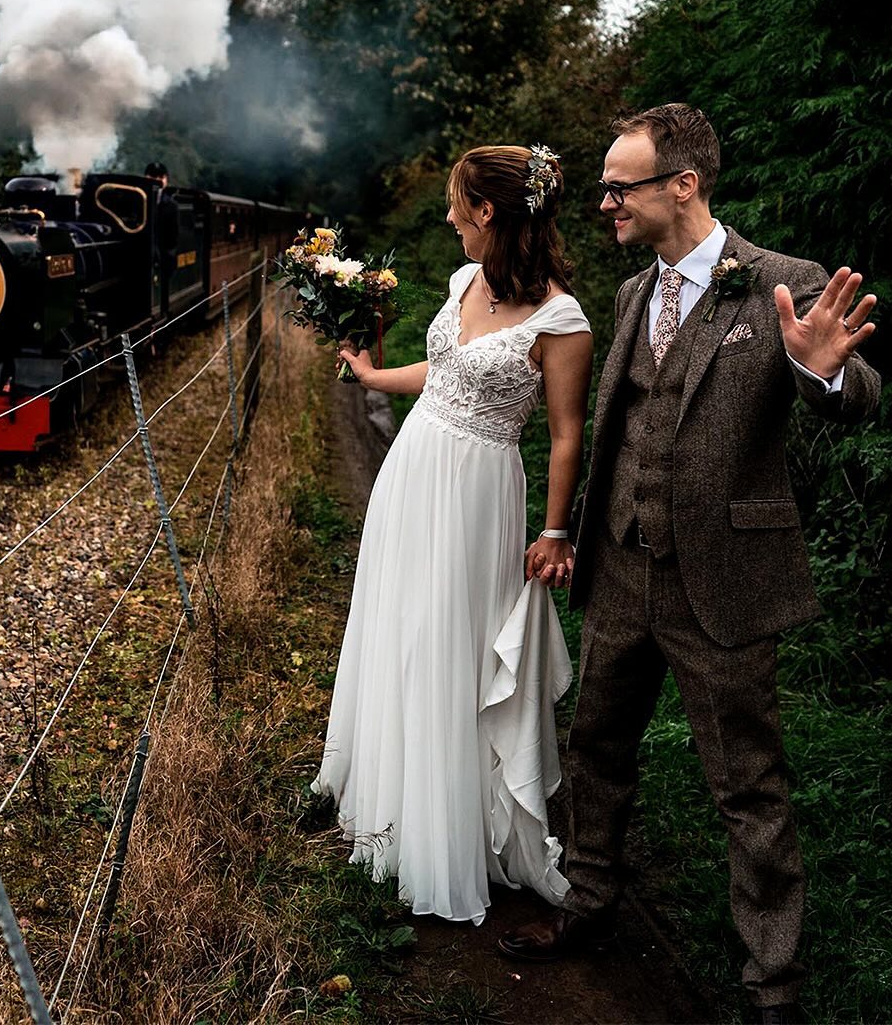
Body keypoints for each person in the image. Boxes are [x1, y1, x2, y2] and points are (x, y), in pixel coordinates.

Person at [498, 104, 881, 1023]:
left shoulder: (786, 285)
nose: (602, 202)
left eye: (619, 186)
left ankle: (771, 989)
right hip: (623, 566)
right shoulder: (633, 297)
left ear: (684, 184)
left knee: (748, 787)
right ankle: (587, 902)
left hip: (726, 581)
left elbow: (860, 397)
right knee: (595, 747)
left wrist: (824, 370)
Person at [312, 144, 594, 925]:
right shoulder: (462, 281)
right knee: (402, 630)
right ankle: (390, 802)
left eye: (455, 203)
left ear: (488, 213)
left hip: (479, 494)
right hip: (413, 473)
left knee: (451, 644)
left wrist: (554, 530)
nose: (446, 217)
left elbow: (568, 435)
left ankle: (449, 833)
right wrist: (372, 378)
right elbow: (440, 374)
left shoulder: (563, 320)